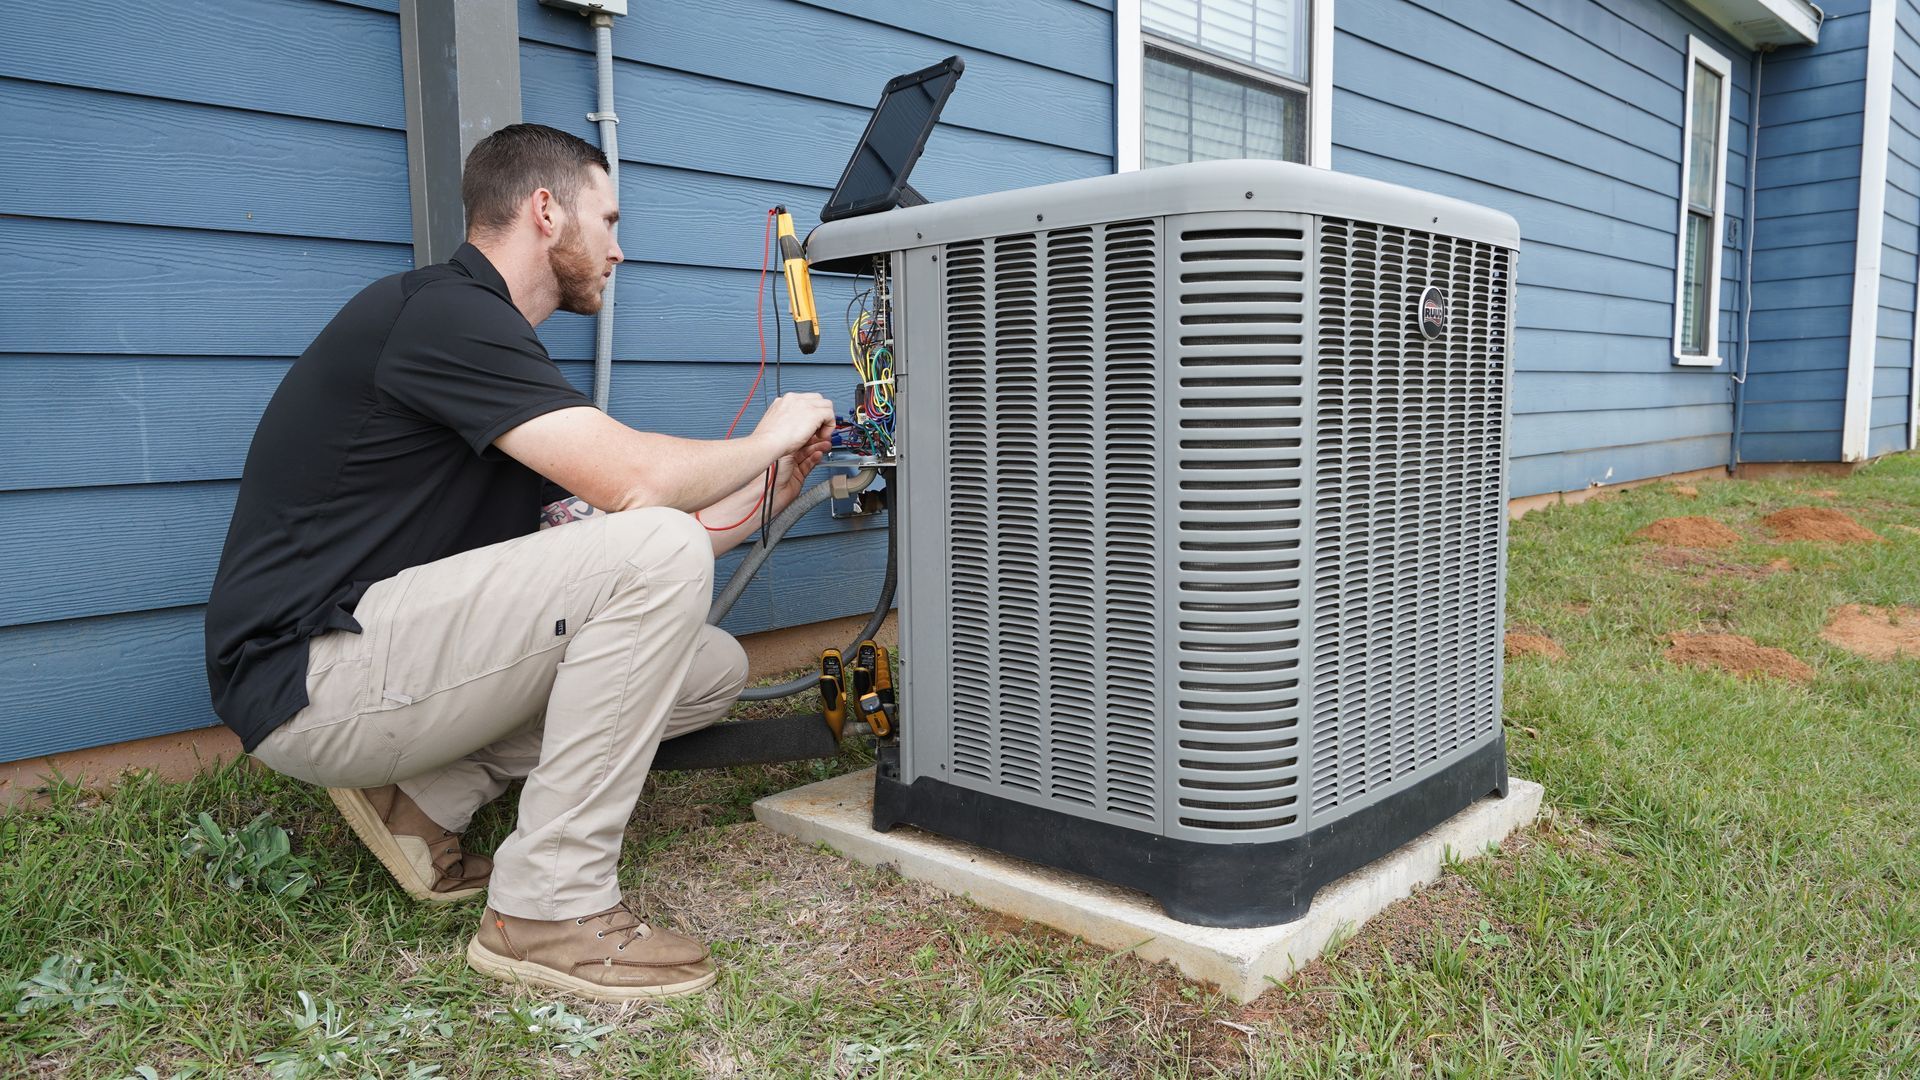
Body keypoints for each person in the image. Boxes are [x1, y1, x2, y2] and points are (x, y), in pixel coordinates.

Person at [203, 123, 836, 1002]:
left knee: (708, 666)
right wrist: (766, 435)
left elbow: (618, 563)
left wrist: (767, 489)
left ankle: (422, 803)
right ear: (546, 210)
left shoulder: (486, 345)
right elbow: (640, 494)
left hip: (372, 655)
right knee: (649, 539)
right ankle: (548, 909)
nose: (620, 248)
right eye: (608, 219)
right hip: (310, 676)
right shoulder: (443, 316)